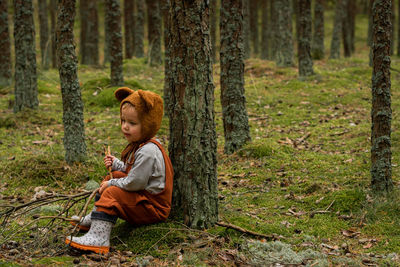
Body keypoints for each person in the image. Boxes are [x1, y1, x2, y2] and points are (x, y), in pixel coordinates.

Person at [66, 87, 173, 254]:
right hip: (143, 199)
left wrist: (111, 184)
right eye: (123, 121)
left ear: (148, 123)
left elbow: (135, 182)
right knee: (114, 176)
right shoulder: (142, 145)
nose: (125, 127)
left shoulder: (148, 151)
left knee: (112, 191)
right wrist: (117, 165)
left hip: (153, 208)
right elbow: (134, 171)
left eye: (132, 123)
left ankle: (99, 238)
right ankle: (97, 218)